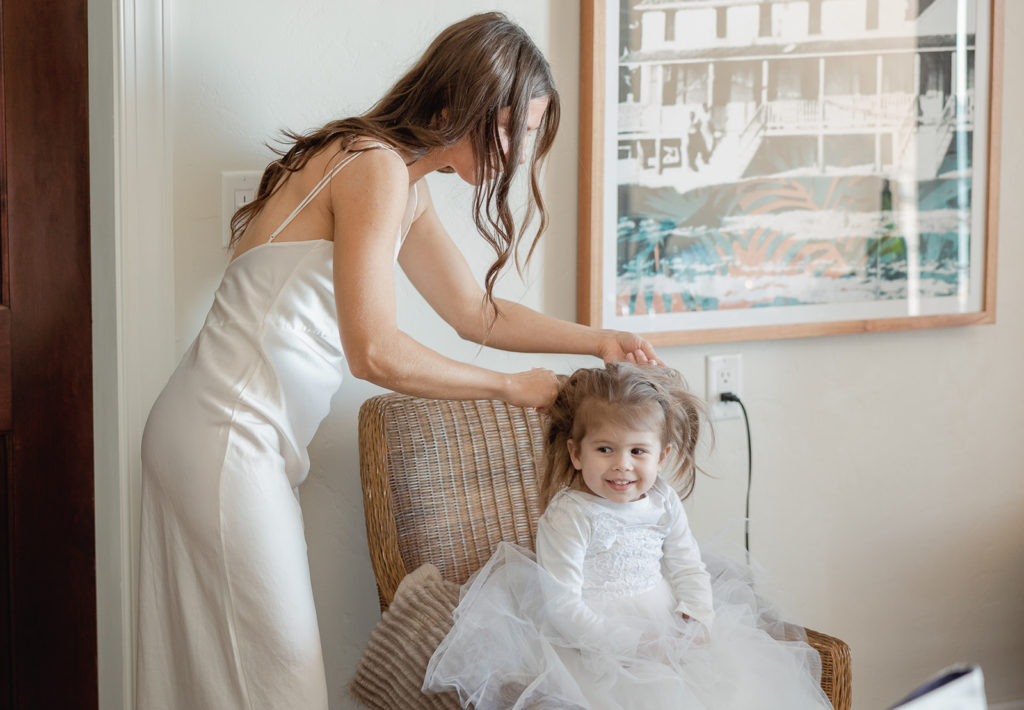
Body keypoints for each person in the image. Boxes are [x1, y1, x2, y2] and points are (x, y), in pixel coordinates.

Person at [135, 13, 662, 710]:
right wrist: (509, 388)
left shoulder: (399, 182)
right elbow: (374, 350)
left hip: (227, 437)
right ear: (466, 100)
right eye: (511, 126)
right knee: (276, 679)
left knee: (222, 677)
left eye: (527, 133)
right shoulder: (372, 167)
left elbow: (475, 312)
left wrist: (594, 339)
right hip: (225, 437)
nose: (518, 149)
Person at [424, 363, 832, 709]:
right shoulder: (569, 516)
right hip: (595, 637)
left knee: (734, 684)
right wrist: (632, 644)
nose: (622, 465)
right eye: (605, 449)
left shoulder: (663, 501)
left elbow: (688, 564)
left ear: (662, 457)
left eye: (638, 451)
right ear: (576, 454)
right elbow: (563, 606)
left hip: (666, 619)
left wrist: (698, 617)